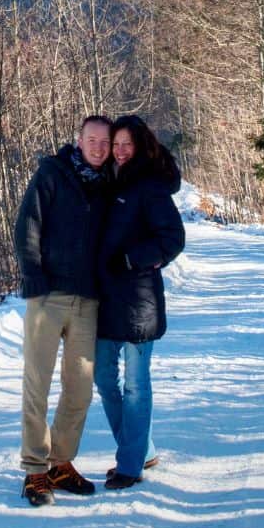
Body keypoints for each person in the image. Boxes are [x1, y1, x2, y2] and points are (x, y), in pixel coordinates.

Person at [13, 115, 113, 506]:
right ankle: (35, 471)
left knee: (80, 389)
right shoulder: (53, 173)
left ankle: (60, 463)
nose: (100, 148)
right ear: (79, 140)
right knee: (37, 385)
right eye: (93, 140)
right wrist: (32, 275)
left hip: (88, 300)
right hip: (48, 296)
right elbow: (27, 225)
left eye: (105, 142)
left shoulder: (109, 184)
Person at [94, 114, 185, 490]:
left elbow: (173, 239)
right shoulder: (105, 182)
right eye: (116, 145)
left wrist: (133, 258)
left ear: (142, 146)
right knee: (102, 377)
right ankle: (141, 448)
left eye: (127, 144)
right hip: (104, 299)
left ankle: (130, 465)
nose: (120, 151)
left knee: (134, 384)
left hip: (138, 300)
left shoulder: (149, 187)